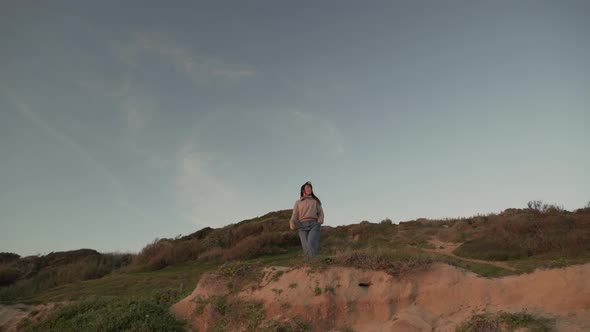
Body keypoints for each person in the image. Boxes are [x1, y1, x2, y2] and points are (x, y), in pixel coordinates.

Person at [289, 181, 324, 261]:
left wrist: (319, 221)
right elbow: (294, 215)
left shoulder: (315, 201)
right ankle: (310, 264)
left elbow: (321, 213)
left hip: (314, 224)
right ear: (303, 190)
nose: (310, 189)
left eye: (310, 187)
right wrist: (292, 222)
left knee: (311, 243)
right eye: (308, 187)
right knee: (305, 246)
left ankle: (311, 263)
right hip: (302, 226)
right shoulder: (298, 202)